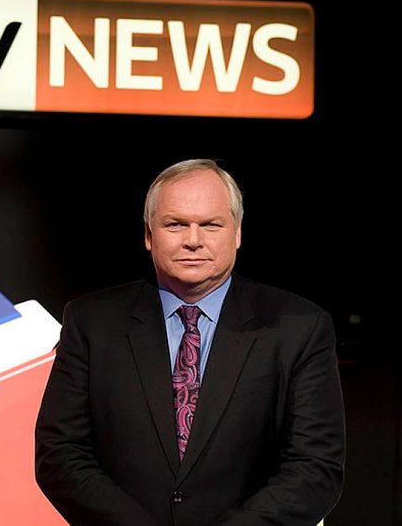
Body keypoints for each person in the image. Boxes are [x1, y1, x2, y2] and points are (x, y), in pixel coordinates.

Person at [35, 159, 345, 526]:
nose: (193, 240)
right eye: (175, 224)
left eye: (211, 225)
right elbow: (60, 454)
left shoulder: (299, 327)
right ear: (149, 235)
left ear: (238, 233)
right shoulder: (92, 323)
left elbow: (316, 467)